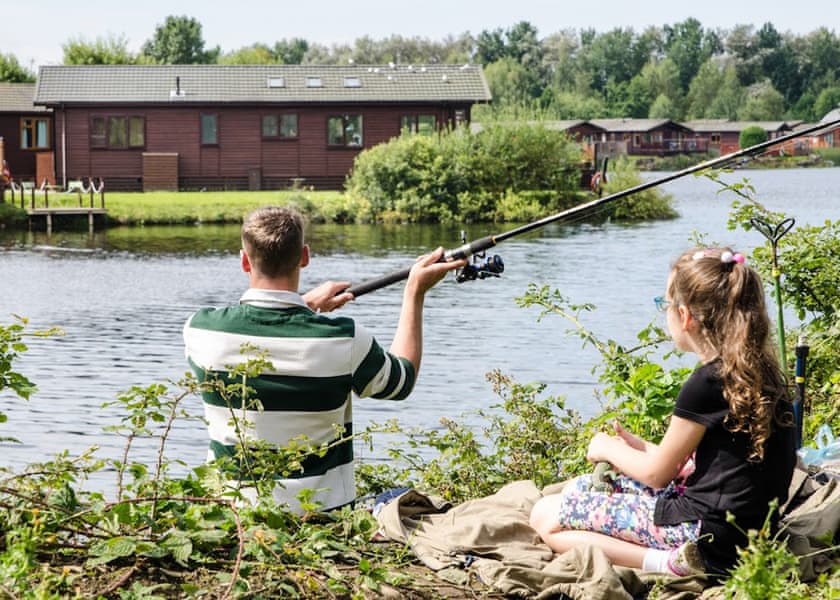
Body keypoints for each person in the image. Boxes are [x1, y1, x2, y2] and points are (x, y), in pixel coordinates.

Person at [529, 246, 797, 577]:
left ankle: (670, 564)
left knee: (545, 515)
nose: (665, 312)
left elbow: (658, 474)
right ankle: (673, 552)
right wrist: (641, 449)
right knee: (579, 488)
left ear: (685, 316)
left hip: (706, 534)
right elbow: (715, 466)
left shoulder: (706, 382)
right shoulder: (760, 370)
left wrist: (607, 447)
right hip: (751, 528)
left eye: (666, 305)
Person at [183, 205, 465, 513]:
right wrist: (414, 291)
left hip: (231, 514)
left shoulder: (201, 329)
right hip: (321, 517)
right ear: (304, 256)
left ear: (244, 261)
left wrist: (305, 305)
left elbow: (269, 328)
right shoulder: (343, 339)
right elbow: (402, 380)